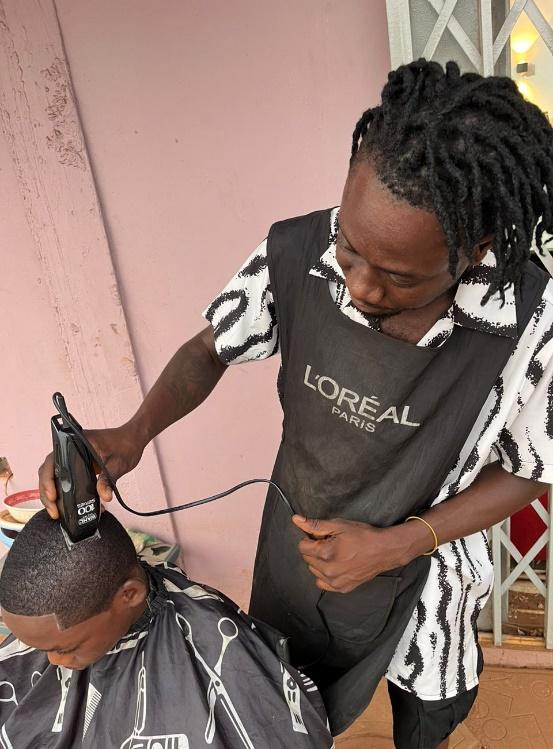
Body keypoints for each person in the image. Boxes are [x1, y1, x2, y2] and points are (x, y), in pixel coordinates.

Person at [39, 59, 553, 749]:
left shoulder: (526, 317)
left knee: (426, 712)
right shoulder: (298, 251)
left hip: (425, 578)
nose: (362, 287)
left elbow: (531, 468)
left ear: (476, 249)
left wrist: (399, 542)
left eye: (399, 276)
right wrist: (134, 432)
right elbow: (209, 348)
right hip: (298, 556)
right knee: (284, 698)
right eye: (351, 248)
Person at [0, 511, 334, 748]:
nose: (53, 662)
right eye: (39, 647)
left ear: (130, 594)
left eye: (67, 648)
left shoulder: (213, 642)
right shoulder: (58, 627)